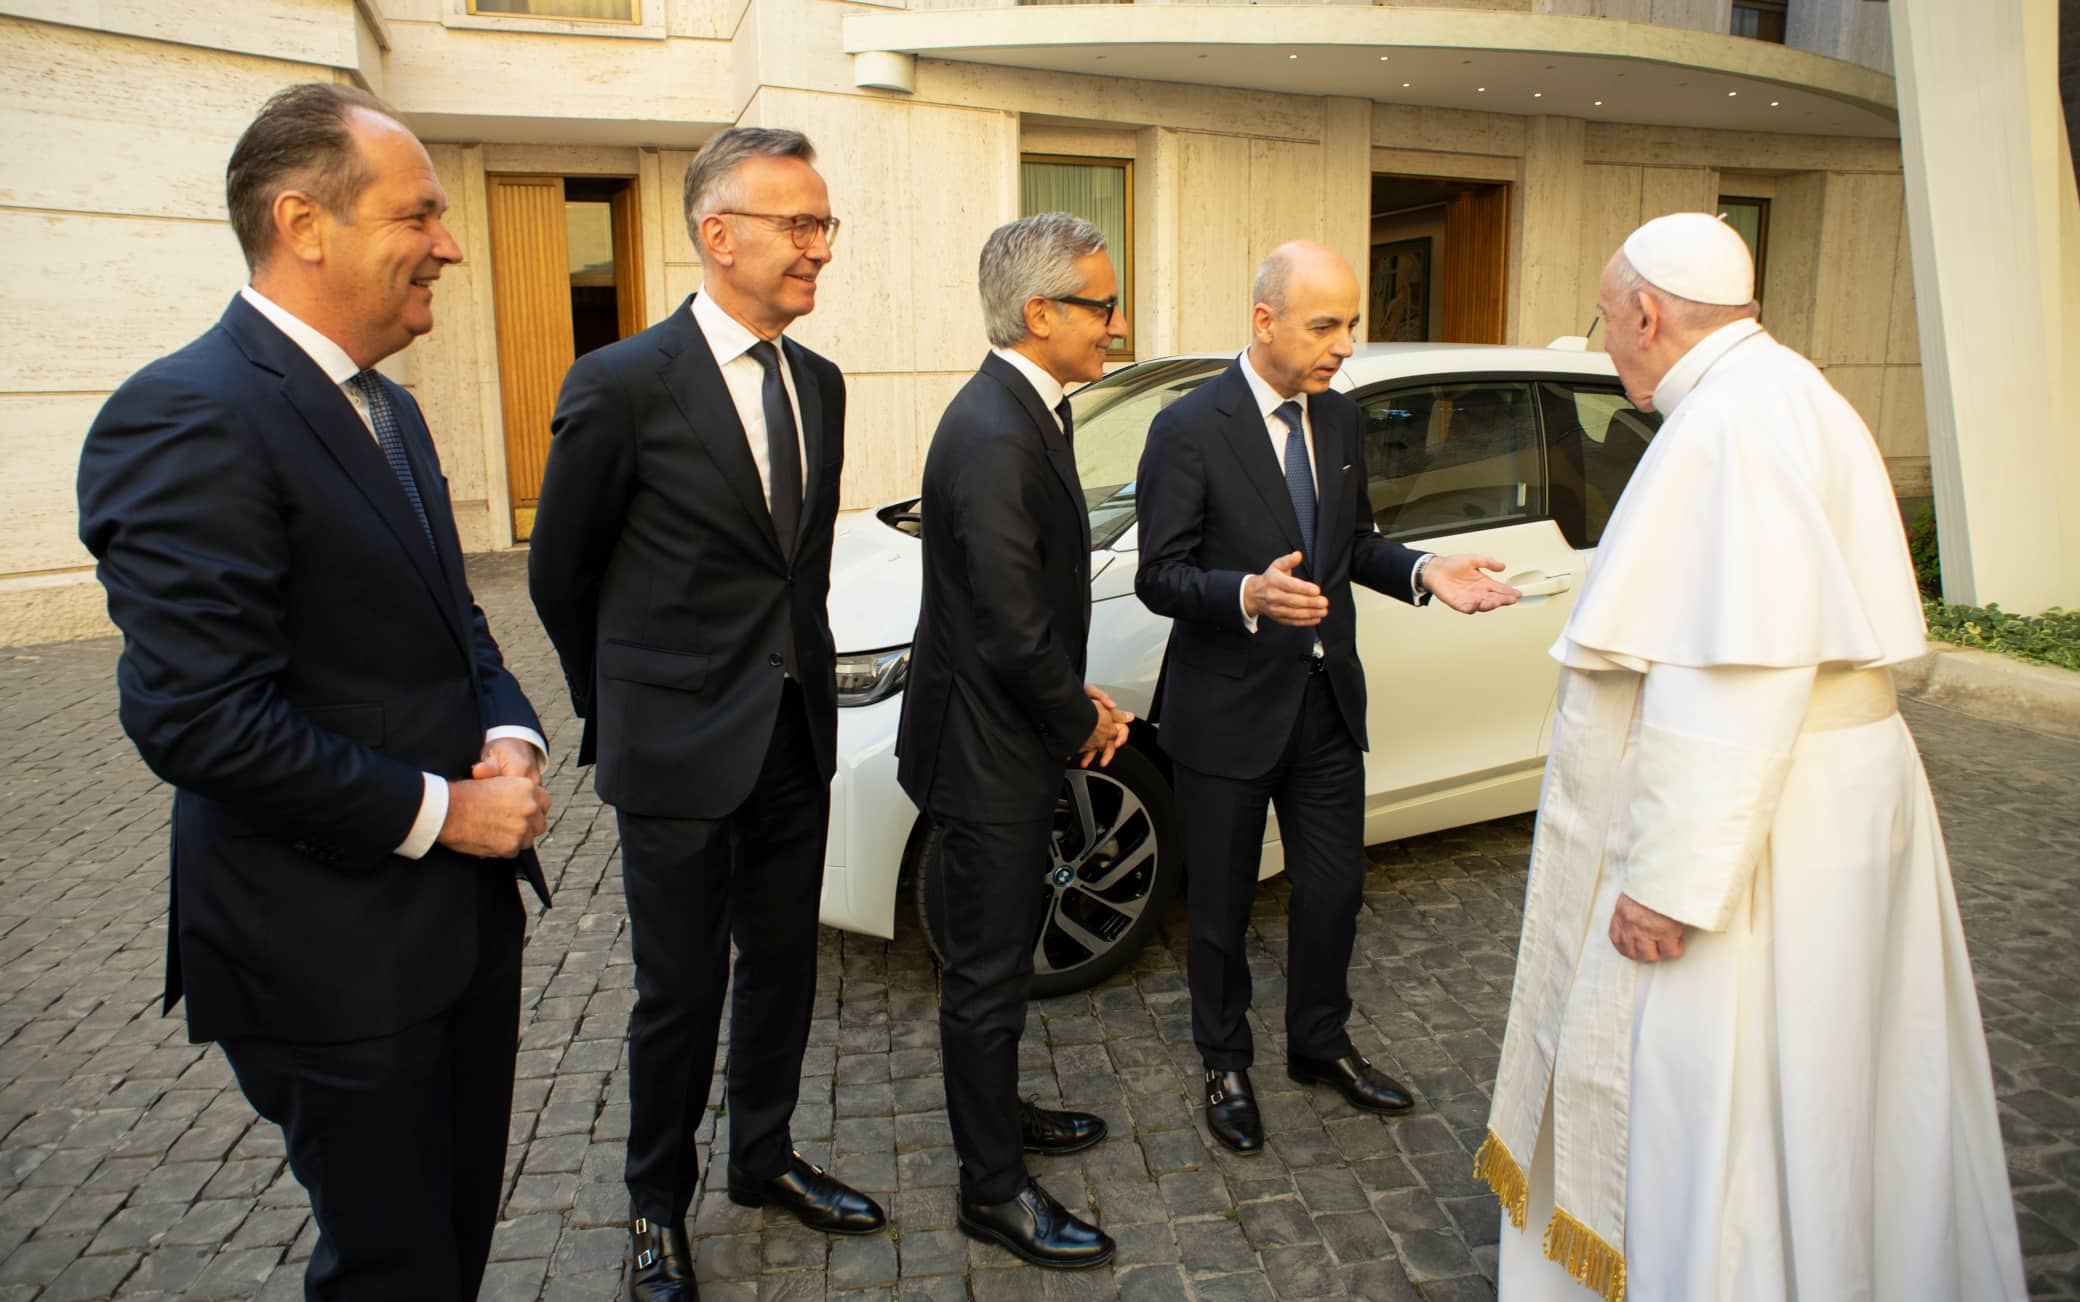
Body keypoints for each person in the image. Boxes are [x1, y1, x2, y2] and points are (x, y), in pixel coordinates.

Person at [1480, 213, 2027, 1302]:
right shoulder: (1791, 391)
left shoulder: (1727, 424)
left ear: (1647, 313)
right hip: (1824, 801)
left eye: (1605, 319)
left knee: (1717, 1085)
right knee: (1835, 1075)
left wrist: (1668, 884)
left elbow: (1738, 673)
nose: (1606, 341)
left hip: (1757, 830)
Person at [75, 83, 553, 1301]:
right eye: (418, 214)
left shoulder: (388, 408)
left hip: (455, 932)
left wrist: (508, 731)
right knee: (395, 1269)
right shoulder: (186, 412)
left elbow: (453, 623)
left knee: (449, 1249)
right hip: (328, 957)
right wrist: (447, 812)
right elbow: (196, 719)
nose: (448, 244)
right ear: (303, 223)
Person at [527, 127, 881, 1301]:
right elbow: (560, 576)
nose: (819, 246)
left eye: (824, 224)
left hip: (792, 734)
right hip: (674, 749)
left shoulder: (819, 383)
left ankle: (763, 1156)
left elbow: (795, 570)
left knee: (782, 965)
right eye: (798, 224)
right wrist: (624, 711)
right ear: (717, 234)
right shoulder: (621, 383)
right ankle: (654, 1205)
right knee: (678, 993)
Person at [1133, 241, 1520, 1156]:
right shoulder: (1187, 428)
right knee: (1221, 907)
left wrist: (1424, 570)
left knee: (1336, 891)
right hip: (1225, 711)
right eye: (1324, 326)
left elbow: (1356, 544)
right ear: (1264, 322)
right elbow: (1158, 575)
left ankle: (1318, 1043)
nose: (1344, 345)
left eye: (1351, 324)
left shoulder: (1340, 419)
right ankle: (1224, 1061)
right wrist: (1246, 593)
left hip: (1325, 704)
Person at [895, 212, 1133, 1270]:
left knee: (1000, 961)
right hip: (983, 752)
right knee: (987, 975)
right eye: (1101, 306)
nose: (1115, 325)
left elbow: (1019, 601)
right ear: (1040, 313)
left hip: (1002, 732)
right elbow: (1006, 623)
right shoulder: (996, 428)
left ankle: (998, 1113)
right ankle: (990, 1189)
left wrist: (1066, 695)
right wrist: (1080, 716)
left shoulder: (1023, 407)